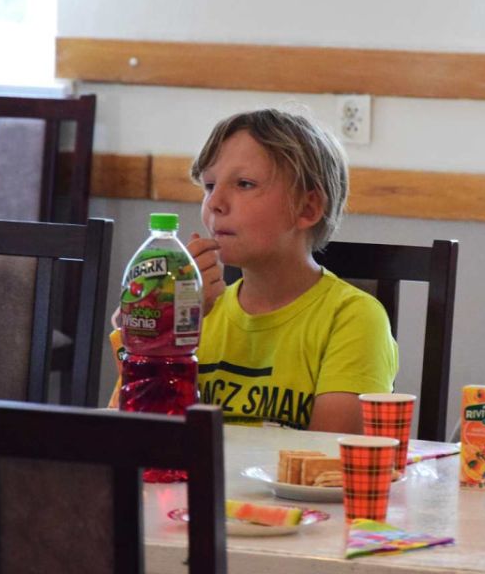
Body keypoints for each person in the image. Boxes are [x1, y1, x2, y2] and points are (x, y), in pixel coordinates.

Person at [111, 108, 398, 433]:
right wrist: (165, 329)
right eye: (209, 185)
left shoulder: (353, 319)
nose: (215, 202)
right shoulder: (195, 313)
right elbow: (136, 437)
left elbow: (329, 454)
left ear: (307, 208)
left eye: (244, 184)